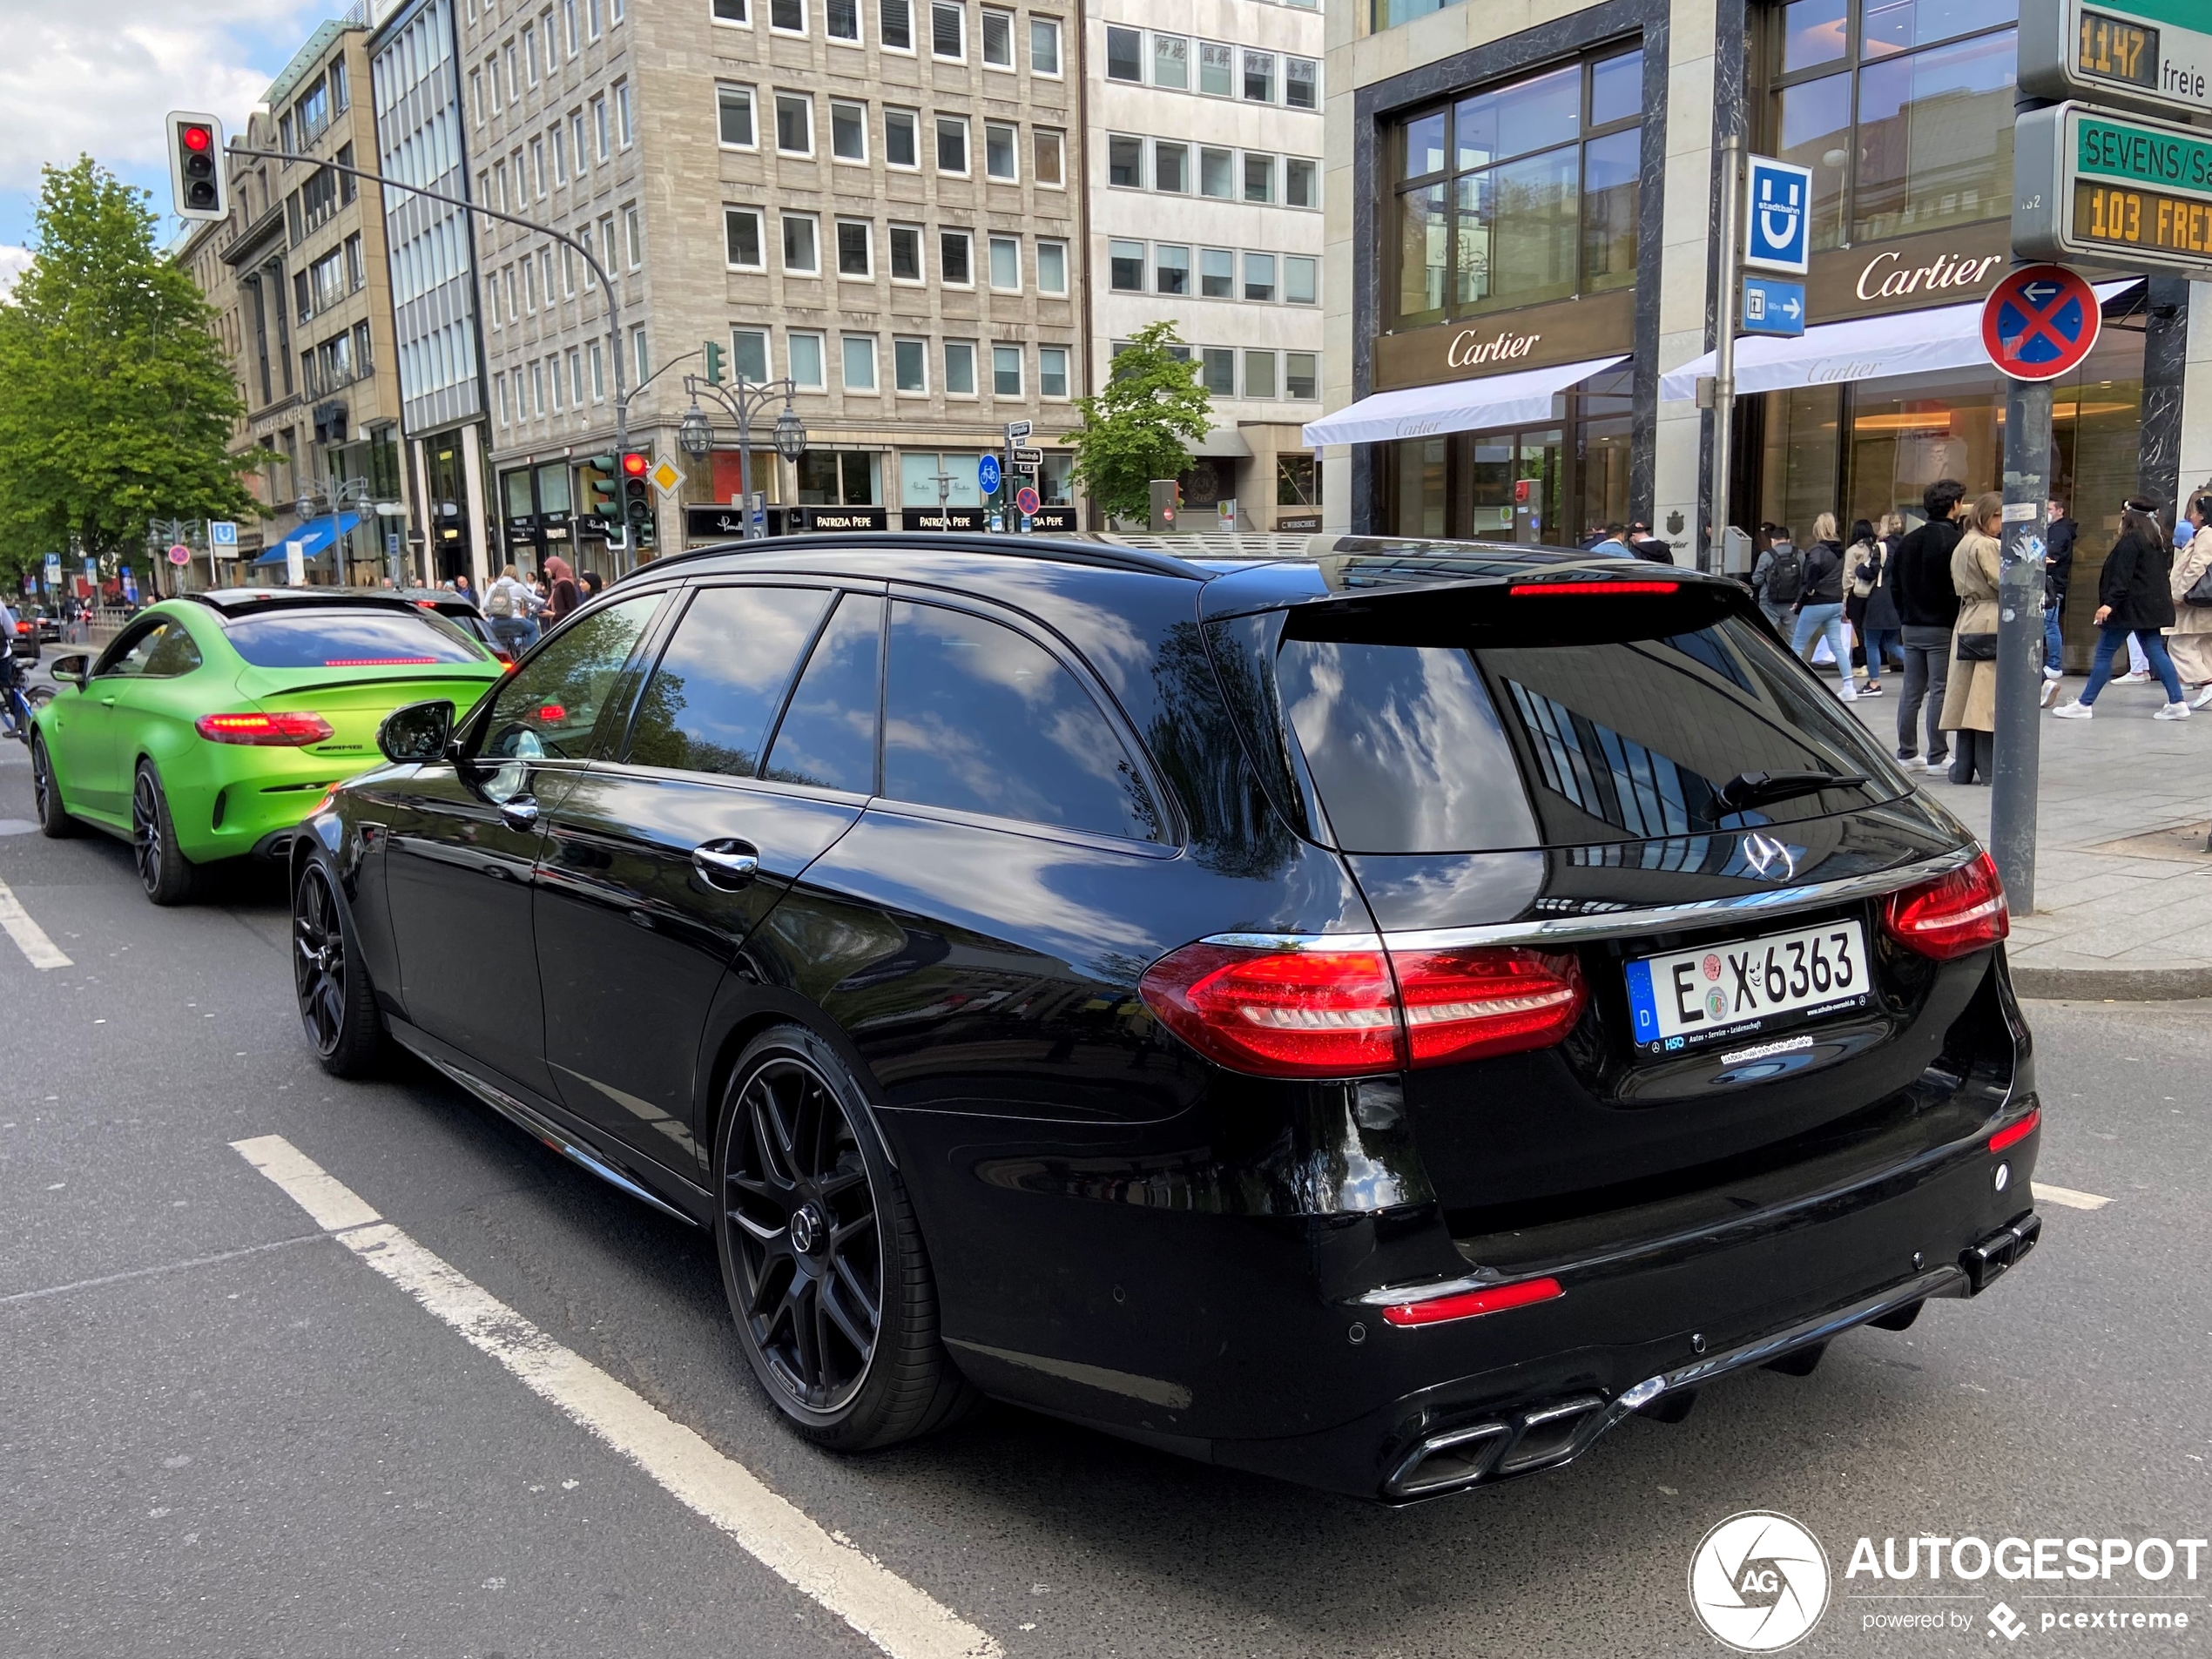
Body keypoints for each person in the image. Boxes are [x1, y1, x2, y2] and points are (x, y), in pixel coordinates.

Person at [2052, 498, 2191, 720]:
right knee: (2156, 651)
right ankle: (2177, 701)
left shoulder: (2131, 541)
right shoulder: (2155, 540)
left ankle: (2084, 703)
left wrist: (2108, 604)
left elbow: (2121, 577)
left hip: (2127, 608)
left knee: (2105, 653)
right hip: (2148, 608)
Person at [1892, 479, 1966, 772]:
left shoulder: (1909, 541)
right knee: (1940, 689)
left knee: (1912, 690)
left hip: (1911, 624)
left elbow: (1895, 586)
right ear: (1955, 506)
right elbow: (1957, 587)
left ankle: (1907, 752)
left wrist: (1905, 614)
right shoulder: (1954, 541)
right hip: (1941, 626)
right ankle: (1937, 754)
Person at [1937, 492, 2004, 783]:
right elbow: (2003, 581)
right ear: (1986, 516)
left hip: (1968, 618)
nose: (2002, 523)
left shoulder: (1964, 543)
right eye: (1998, 516)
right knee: (1985, 699)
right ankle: (1989, 770)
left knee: (1966, 696)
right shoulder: (1987, 546)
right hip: (1990, 617)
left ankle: (1963, 768)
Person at [1790, 513, 1856, 699]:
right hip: (1835, 602)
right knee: (1836, 645)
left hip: (1817, 602)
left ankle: (1792, 684)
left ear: (1817, 529)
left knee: (1797, 645)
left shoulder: (1817, 550)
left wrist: (1806, 592)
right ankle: (1849, 686)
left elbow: (1813, 569)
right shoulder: (1840, 551)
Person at [2167, 490, 2212, 708]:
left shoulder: (2205, 534)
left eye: (2194, 513)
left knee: (2180, 644)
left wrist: (2179, 591)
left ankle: (2207, 683)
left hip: (2194, 601)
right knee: (2203, 645)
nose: (2191, 517)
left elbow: (2197, 565)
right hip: (2203, 603)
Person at [1857, 515, 1904, 695]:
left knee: (1872, 642)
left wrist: (1860, 568)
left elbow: (1872, 572)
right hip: (1898, 599)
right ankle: (1923, 672)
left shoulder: (1882, 547)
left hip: (1880, 599)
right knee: (1891, 644)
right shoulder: (1907, 545)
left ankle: (1874, 683)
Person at [2040, 497, 2076, 705]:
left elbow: (2051, 556)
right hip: (2051, 584)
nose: (2047, 512)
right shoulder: (2052, 531)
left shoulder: (2060, 532)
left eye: (2050, 508)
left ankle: (2054, 664)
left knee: (2050, 624)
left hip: (2053, 585)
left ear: (2060, 511)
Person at [1750, 526, 1803, 633]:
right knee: (1794, 637)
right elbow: (1804, 577)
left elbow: (1756, 580)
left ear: (1772, 540)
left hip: (1769, 602)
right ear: (1788, 540)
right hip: (1793, 603)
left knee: (1769, 636)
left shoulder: (1766, 555)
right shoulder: (1799, 554)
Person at [482, 563, 543, 655]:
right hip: (515, 620)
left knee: (499, 640)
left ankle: (501, 659)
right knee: (533, 629)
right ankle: (530, 655)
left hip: (496, 622)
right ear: (515, 574)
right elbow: (532, 599)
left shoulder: (493, 586)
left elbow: (486, 605)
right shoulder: (518, 586)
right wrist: (545, 602)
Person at [543, 554, 582, 623]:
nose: (545, 570)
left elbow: (572, 609)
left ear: (554, 568)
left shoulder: (565, 584)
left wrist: (554, 614)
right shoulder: (557, 584)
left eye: (548, 567)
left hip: (565, 625)